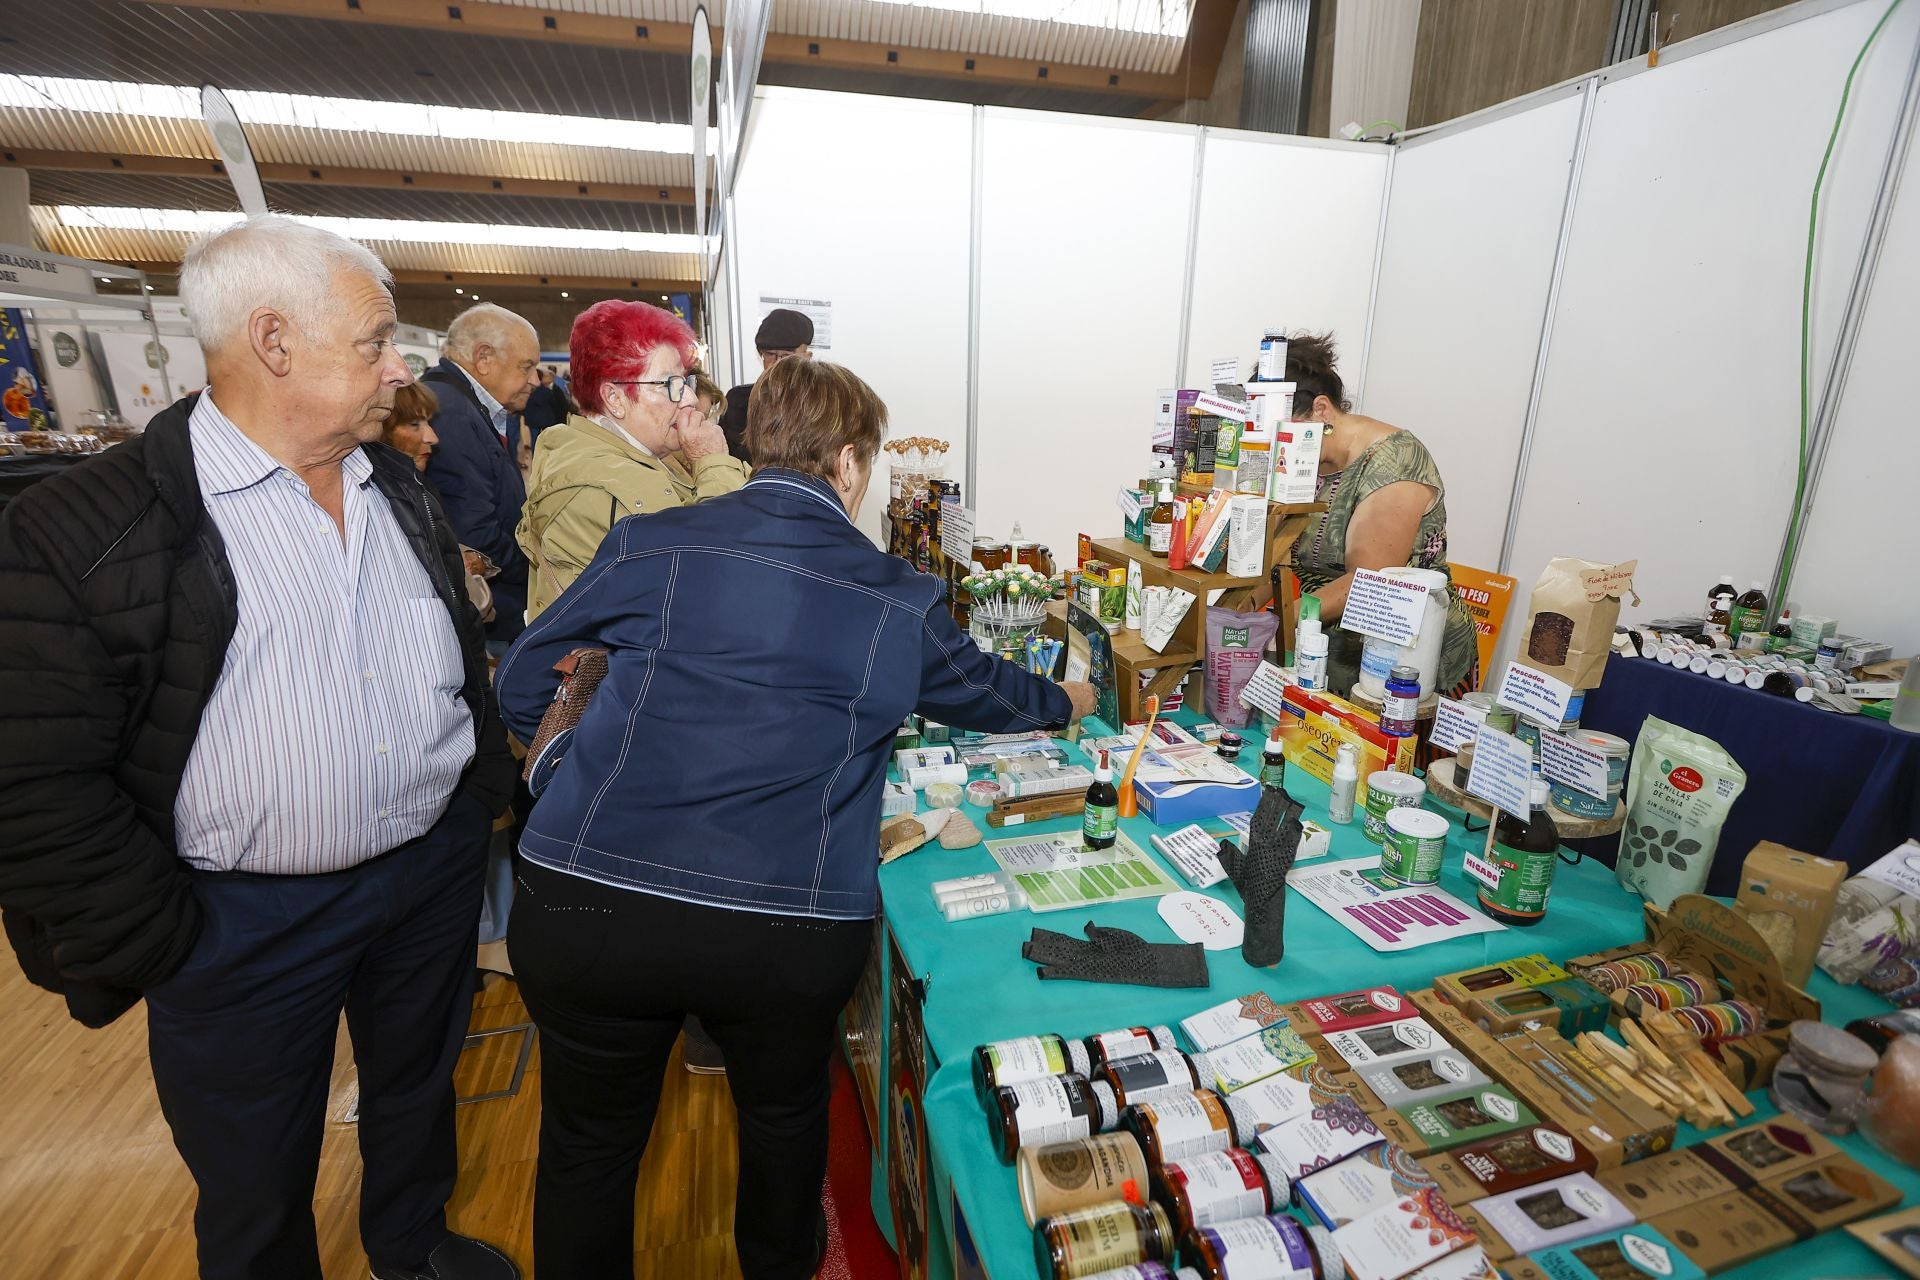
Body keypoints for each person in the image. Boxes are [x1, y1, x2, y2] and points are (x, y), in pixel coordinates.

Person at [495, 357, 1096, 1279]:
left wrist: (591, 746)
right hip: (779, 920)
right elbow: (992, 693)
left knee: (588, 1146)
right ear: (849, 464)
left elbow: (523, 677)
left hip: (588, 893)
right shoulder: (894, 593)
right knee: (780, 1130)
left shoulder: (651, 542)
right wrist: (1070, 695)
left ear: (750, 442)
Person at [0, 214, 518, 1280]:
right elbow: (31, 775)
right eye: (376, 341)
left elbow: (451, 662)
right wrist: (162, 934)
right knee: (253, 1162)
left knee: (416, 1090)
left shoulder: (396, 489)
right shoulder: (84, 526)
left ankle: (412, 1247)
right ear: (273, 341)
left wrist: (475, 808)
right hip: (236, 917)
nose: (400, 367)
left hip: (422, 879)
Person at [518, 300, 747, 621]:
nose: (691, 399)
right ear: (615, 398)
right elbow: (714, 577)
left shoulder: (642, 458)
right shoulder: (602, 487)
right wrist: (714, 464)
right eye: (670, 384)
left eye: (687, 382)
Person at [1283, 331, 1477, 696]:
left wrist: (1281, 620)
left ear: (1321, 411)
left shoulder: (1394, 464)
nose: (1278, 445)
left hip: (1404, 660)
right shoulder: (1303, 462)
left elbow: (1368, 582)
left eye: (1283, 431)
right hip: (1324, 649)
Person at [424, 303, 541, 645]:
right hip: (490, 611)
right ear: (484, 358)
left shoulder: (460, 404)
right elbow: (474, 532)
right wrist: (536, 572)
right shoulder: (451, 414)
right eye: (526, 367)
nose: (535, 381)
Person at [719, 306, 813, 464]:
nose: (777, 363)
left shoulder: (821, 403)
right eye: (770, 354)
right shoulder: (739, 401)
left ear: (807, 357)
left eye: (786, 356)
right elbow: (726, 458)